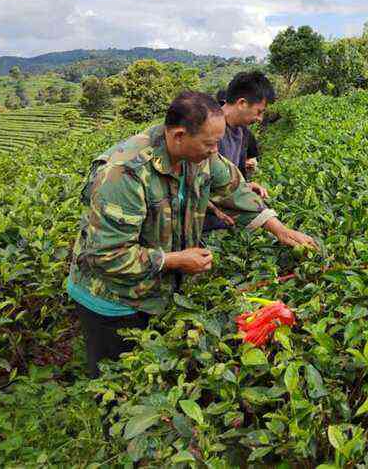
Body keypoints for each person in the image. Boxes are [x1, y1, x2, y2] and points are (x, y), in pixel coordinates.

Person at [67, 91, 317, 377]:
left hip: (157, 291)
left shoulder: (199, 154)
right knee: (117, 381)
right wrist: (174, 261)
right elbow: (108, 256)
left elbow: (234, 188)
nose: (215, 150)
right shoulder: (125, 175)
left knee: (152, 371)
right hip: (111, 300)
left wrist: (280, 229)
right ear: (178, 135)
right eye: (210, 144)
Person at [204, 72, 274, 232]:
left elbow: (224, 178)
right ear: (242, 103)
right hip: (204, 225)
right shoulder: (206, 130)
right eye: (259, 111)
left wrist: (245, 186)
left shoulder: (242, 133)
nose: (260, 119)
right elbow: (193, 184)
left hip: (227, 220)